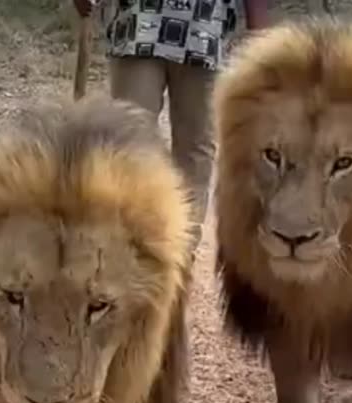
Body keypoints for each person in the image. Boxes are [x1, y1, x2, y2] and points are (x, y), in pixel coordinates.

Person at [72, 0, 271, 254]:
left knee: (195, 146)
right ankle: (130, 246)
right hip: (138, 23)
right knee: (129, 141)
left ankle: (179, 254)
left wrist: (260, 33)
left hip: (202, 27)